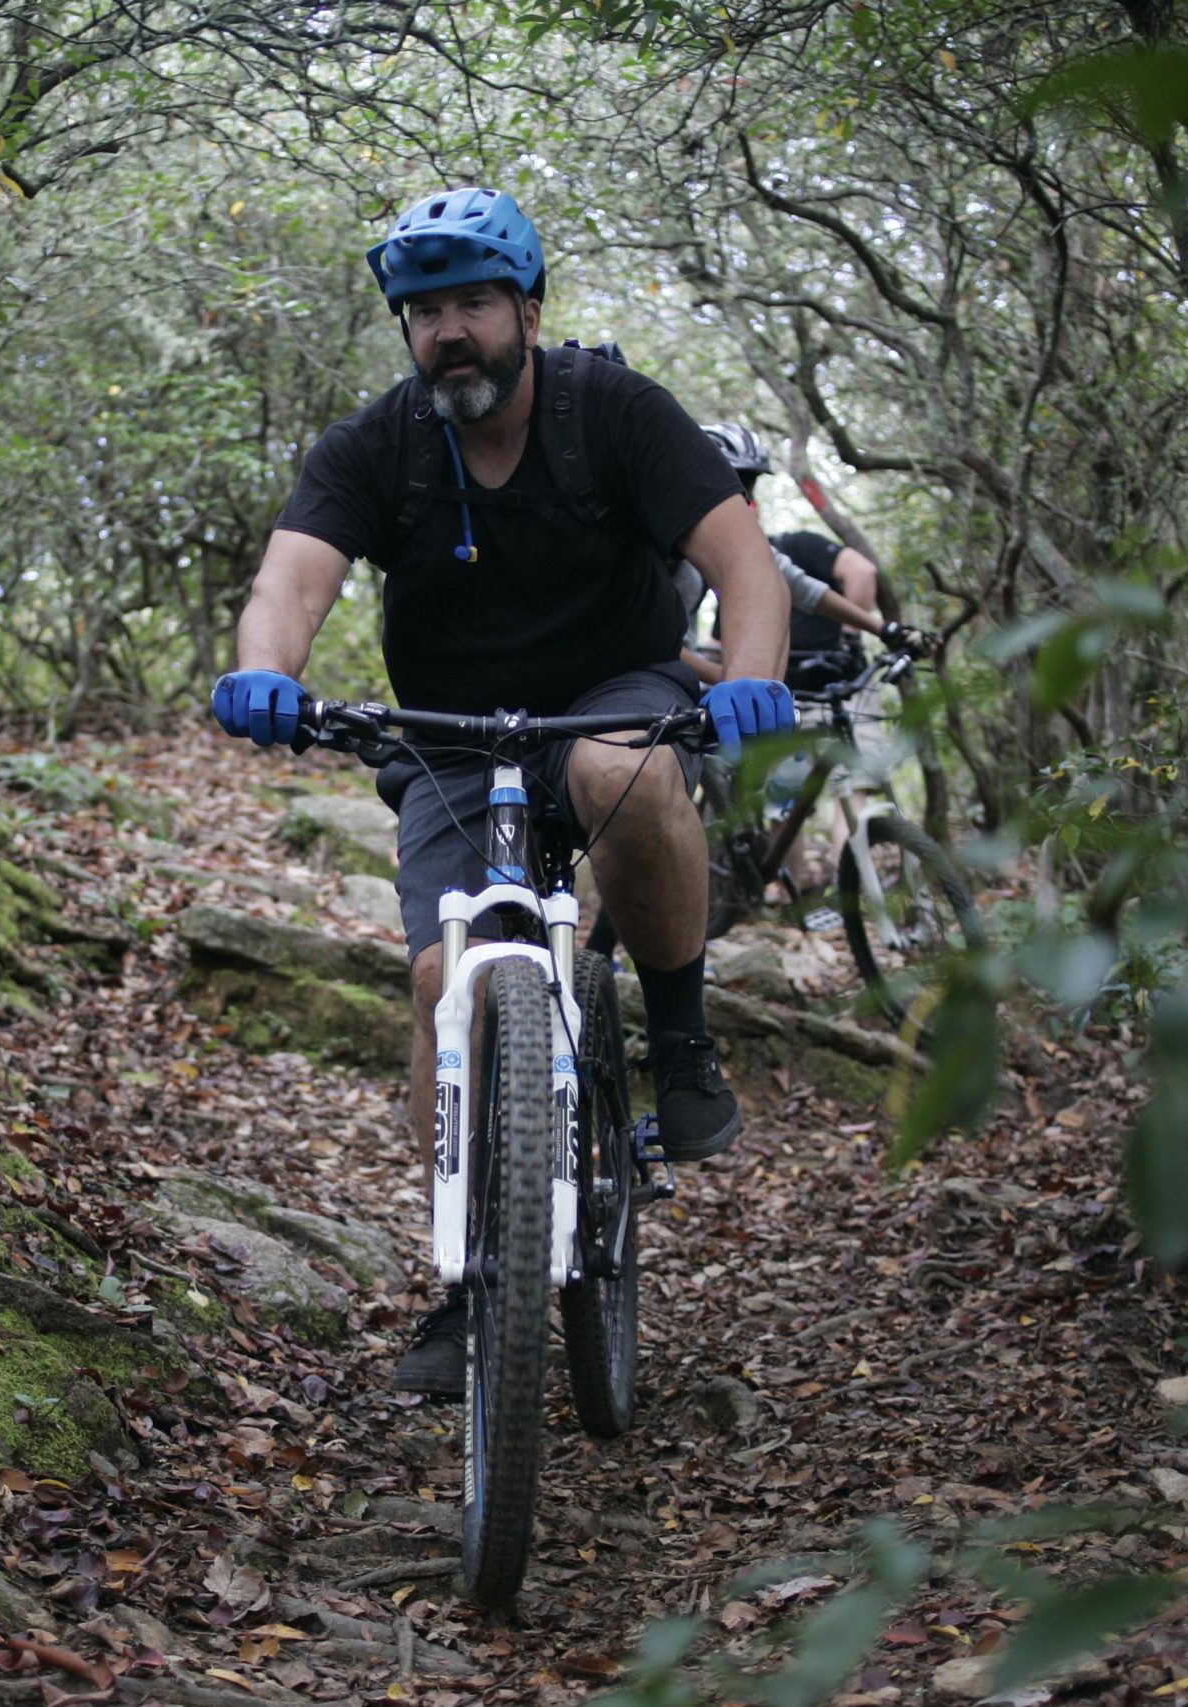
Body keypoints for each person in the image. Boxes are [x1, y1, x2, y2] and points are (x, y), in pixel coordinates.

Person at [207, 186, 799, 1395]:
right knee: (440, 979)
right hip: (450, 735)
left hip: (613, 693)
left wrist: (749, 681)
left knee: (610, 771)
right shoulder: (376, 447)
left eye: (472, 303)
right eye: (423, 313)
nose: (448, 332)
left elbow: (743, 561)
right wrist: (263, 672)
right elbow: (291, 581)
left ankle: (679, 1043)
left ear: (526, 308)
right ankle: (469, 1288)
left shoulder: (615, 414)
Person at [677, 424, 931, 682]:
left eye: (749, 486)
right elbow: (657, 644)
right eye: (735, 482)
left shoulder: (731, 544)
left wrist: (886, 630)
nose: (743, 497)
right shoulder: (659, 547)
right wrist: (734, 682)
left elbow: (801, 587)